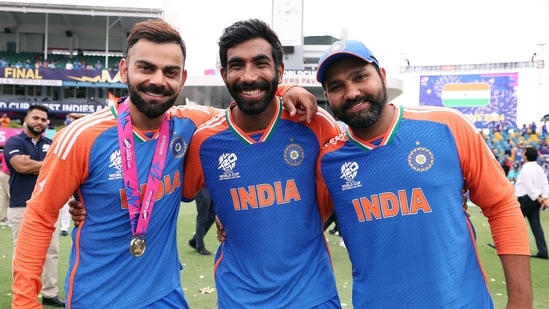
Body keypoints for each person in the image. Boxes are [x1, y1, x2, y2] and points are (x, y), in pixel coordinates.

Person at [12, 19, 317, 309]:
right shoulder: (81, 137)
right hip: (99, 297)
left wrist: (285, 89)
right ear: (124, 70)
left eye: (170, 72)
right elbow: (40, 216)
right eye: (146, 68)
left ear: (182, 79)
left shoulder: (191, 125)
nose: (157, 81)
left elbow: (246, 102)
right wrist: (24, 301)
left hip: (166, 294)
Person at [314, 40, 533, 308]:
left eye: (360, 77)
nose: (351, 92)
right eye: (336, 87)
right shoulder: (328, 160)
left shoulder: (447, 125)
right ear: (327, 96)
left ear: (381, 76)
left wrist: (521, 301)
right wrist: (284, 90)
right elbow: (296, 226)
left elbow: (501, 206)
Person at [182, 19, 341, 308]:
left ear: (279, 71)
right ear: (223, 74)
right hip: (240, 298)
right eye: (237, 65)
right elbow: (171, 195)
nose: (248, 75)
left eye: (260, 63)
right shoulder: (204, 141)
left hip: (312, 295)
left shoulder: (314, 123)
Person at [4, 104, 65, 307]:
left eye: (43, 119)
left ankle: (50, 292)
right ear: (26, 120)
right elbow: (20, 165)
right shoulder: (15, 141)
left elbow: (60, 168)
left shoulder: (51, 143)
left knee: (52, 251)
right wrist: (48, 165)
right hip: (21, 205)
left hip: (48, 205)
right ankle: (24, 295)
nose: (39, 122)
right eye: (35, 118)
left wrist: (34, 165)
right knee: (23, 255)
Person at [515, 146, 549, 259]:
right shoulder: (539, 168)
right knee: (536, 225)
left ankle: (504, 246)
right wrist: (543, 198)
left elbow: (529, 187)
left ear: (526, 156)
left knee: (513, 222)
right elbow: (545, 183)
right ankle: (543, 251)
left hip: (527, 198)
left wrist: (539, 198)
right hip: (535, 199)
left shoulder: (526, 169)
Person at [188, 188, 215, 255]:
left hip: (211, 187)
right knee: (202, 217)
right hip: (201, 187)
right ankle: (200, 247)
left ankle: (195, 240)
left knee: (212, 216)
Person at [0, 151, 9, 225]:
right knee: (12, 195)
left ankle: (4, 218)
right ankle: (11, 219)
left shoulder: (3, 154)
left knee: (4, 197)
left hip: (2, 173)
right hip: (6, 174)